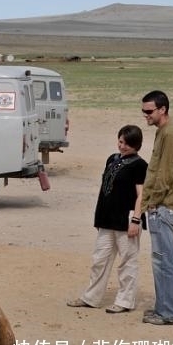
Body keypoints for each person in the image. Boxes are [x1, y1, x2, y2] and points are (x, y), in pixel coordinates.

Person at [67, 125, 147, 314]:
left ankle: (125, 301)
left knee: (127, 261)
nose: (122, 146)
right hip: (107, 218)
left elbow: (141, 195)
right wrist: (99, 218)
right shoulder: (112, 159)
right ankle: (91, 297)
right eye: (121, 141)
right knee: (99, 259)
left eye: (127, 144)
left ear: (137, 145)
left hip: (126, 218)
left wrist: (135, 220)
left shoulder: (140, 165)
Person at [139, 90, 173, 326]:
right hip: (161, 206)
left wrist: (152, 203)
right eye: (143, 111)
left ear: (162, 109)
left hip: (163, 207)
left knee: (164, 261)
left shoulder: (170, 134)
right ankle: (162, 309)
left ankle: (168, 313)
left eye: (149, 111)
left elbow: (164, 175)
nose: (145, 116)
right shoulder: (165, 131)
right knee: (161, 260)